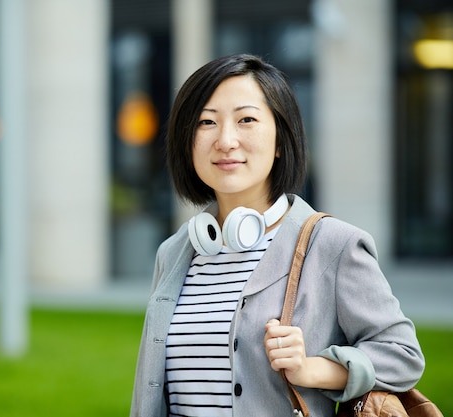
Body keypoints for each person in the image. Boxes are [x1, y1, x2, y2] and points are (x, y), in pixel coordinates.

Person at [129, 54, 424, 417]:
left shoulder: (332, 244)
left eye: (246, 120)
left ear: (281, 140)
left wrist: (314, 368)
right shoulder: (175, 253)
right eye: (207, 122)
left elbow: (403, 354)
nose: (225, 140)